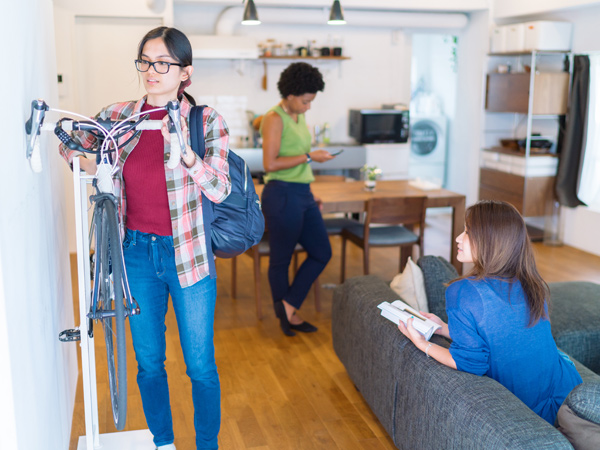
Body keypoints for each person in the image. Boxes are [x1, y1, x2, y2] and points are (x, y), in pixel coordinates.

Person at [59, 27, 230, 450]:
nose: (151, 71)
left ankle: (207, 444)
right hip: (135, 253)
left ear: (184, 72)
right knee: (149, 363)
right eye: (145, 61)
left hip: (188, 255)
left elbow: (221, 189)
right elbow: (72, 139)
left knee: (200, 365)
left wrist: (190, 158)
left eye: (162, 63)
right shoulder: (120, 117)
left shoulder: (205, 122)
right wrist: (81, 157)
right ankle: (163, 442)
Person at [398, 200, 582, 425]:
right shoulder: (532, 282)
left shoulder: (462, 291)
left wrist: (422, 344)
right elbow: (504, 338)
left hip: (530, 410)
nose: (458, 238)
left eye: (467, 232)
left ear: (490, 240)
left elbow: (470, 362)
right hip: (568, 388)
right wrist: (443, 328)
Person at [260, 62, 337, 336]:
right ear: (291, 94)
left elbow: (297, 162)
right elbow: (270, 163)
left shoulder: (298, 116)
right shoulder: (274, 118)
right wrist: (309, 157)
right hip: (281, 195)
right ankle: (287, 317)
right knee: (281, 259)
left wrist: (309, 190)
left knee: (322, 252)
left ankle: (288, 305)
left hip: (302, 194)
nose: (308, 107)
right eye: (305, 101)